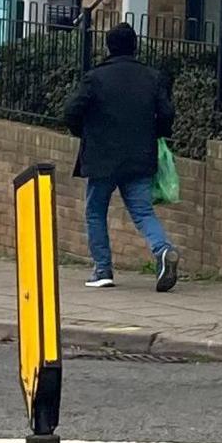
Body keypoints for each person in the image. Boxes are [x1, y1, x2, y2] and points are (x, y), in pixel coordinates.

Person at [62, 23, 177, 291]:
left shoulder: (96, 78)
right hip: (140, 155)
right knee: (142, 211)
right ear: (135, 46)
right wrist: (156, 133)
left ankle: (102, 269)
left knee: (95, 211)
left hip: (102, 156)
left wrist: (84, 132)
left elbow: (72, 110)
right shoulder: (152, 77)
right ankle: (162, 250)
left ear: (109, 47)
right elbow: (167, 113)